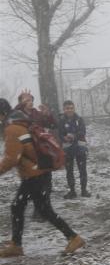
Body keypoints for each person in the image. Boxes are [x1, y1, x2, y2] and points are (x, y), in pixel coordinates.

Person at [0, 98, 85, 257]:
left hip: (34, 175)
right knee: (24, 207)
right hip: (38, 172)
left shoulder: (12, 128)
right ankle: (16, 245)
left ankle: (73, 237)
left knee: (35, 208)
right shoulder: (21, 121)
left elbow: (12, 158)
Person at [57, 100, 90, 198]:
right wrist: (64, 138)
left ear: (74, 108)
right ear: (64, 109)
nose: (69, 110)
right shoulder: (61, 120)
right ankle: (72, 191)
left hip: (80, 148)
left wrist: (74, 136)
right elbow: (60, 133)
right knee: (69, 171)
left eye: (71, 108)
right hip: (68, 149)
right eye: (67, 108)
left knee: (82, 170)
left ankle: (84, 191)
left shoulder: (79, 119)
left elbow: (83, 131)